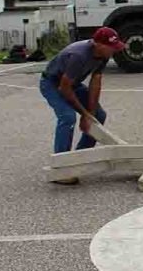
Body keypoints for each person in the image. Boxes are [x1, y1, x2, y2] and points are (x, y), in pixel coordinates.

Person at [39, 27, 125, 184]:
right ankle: (61, 168)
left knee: (99, 116)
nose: (114, 51)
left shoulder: (103, 55)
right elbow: (63, 88)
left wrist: (90, 114)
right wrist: (83, 114)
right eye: (111, 48)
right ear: (98, 45)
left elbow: (95, 82)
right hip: (52, 83)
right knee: (67, 117)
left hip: (72, 84)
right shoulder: (78, 55)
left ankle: (80, 158)